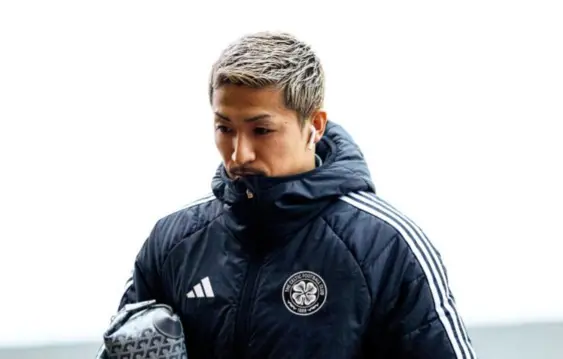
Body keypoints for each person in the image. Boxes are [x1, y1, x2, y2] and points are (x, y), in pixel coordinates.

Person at [113, 31, 477, 358]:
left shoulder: (386, 246)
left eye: (261, 130)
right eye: (225, 128)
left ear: (314, 126)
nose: (240, 154)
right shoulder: (172, 241)